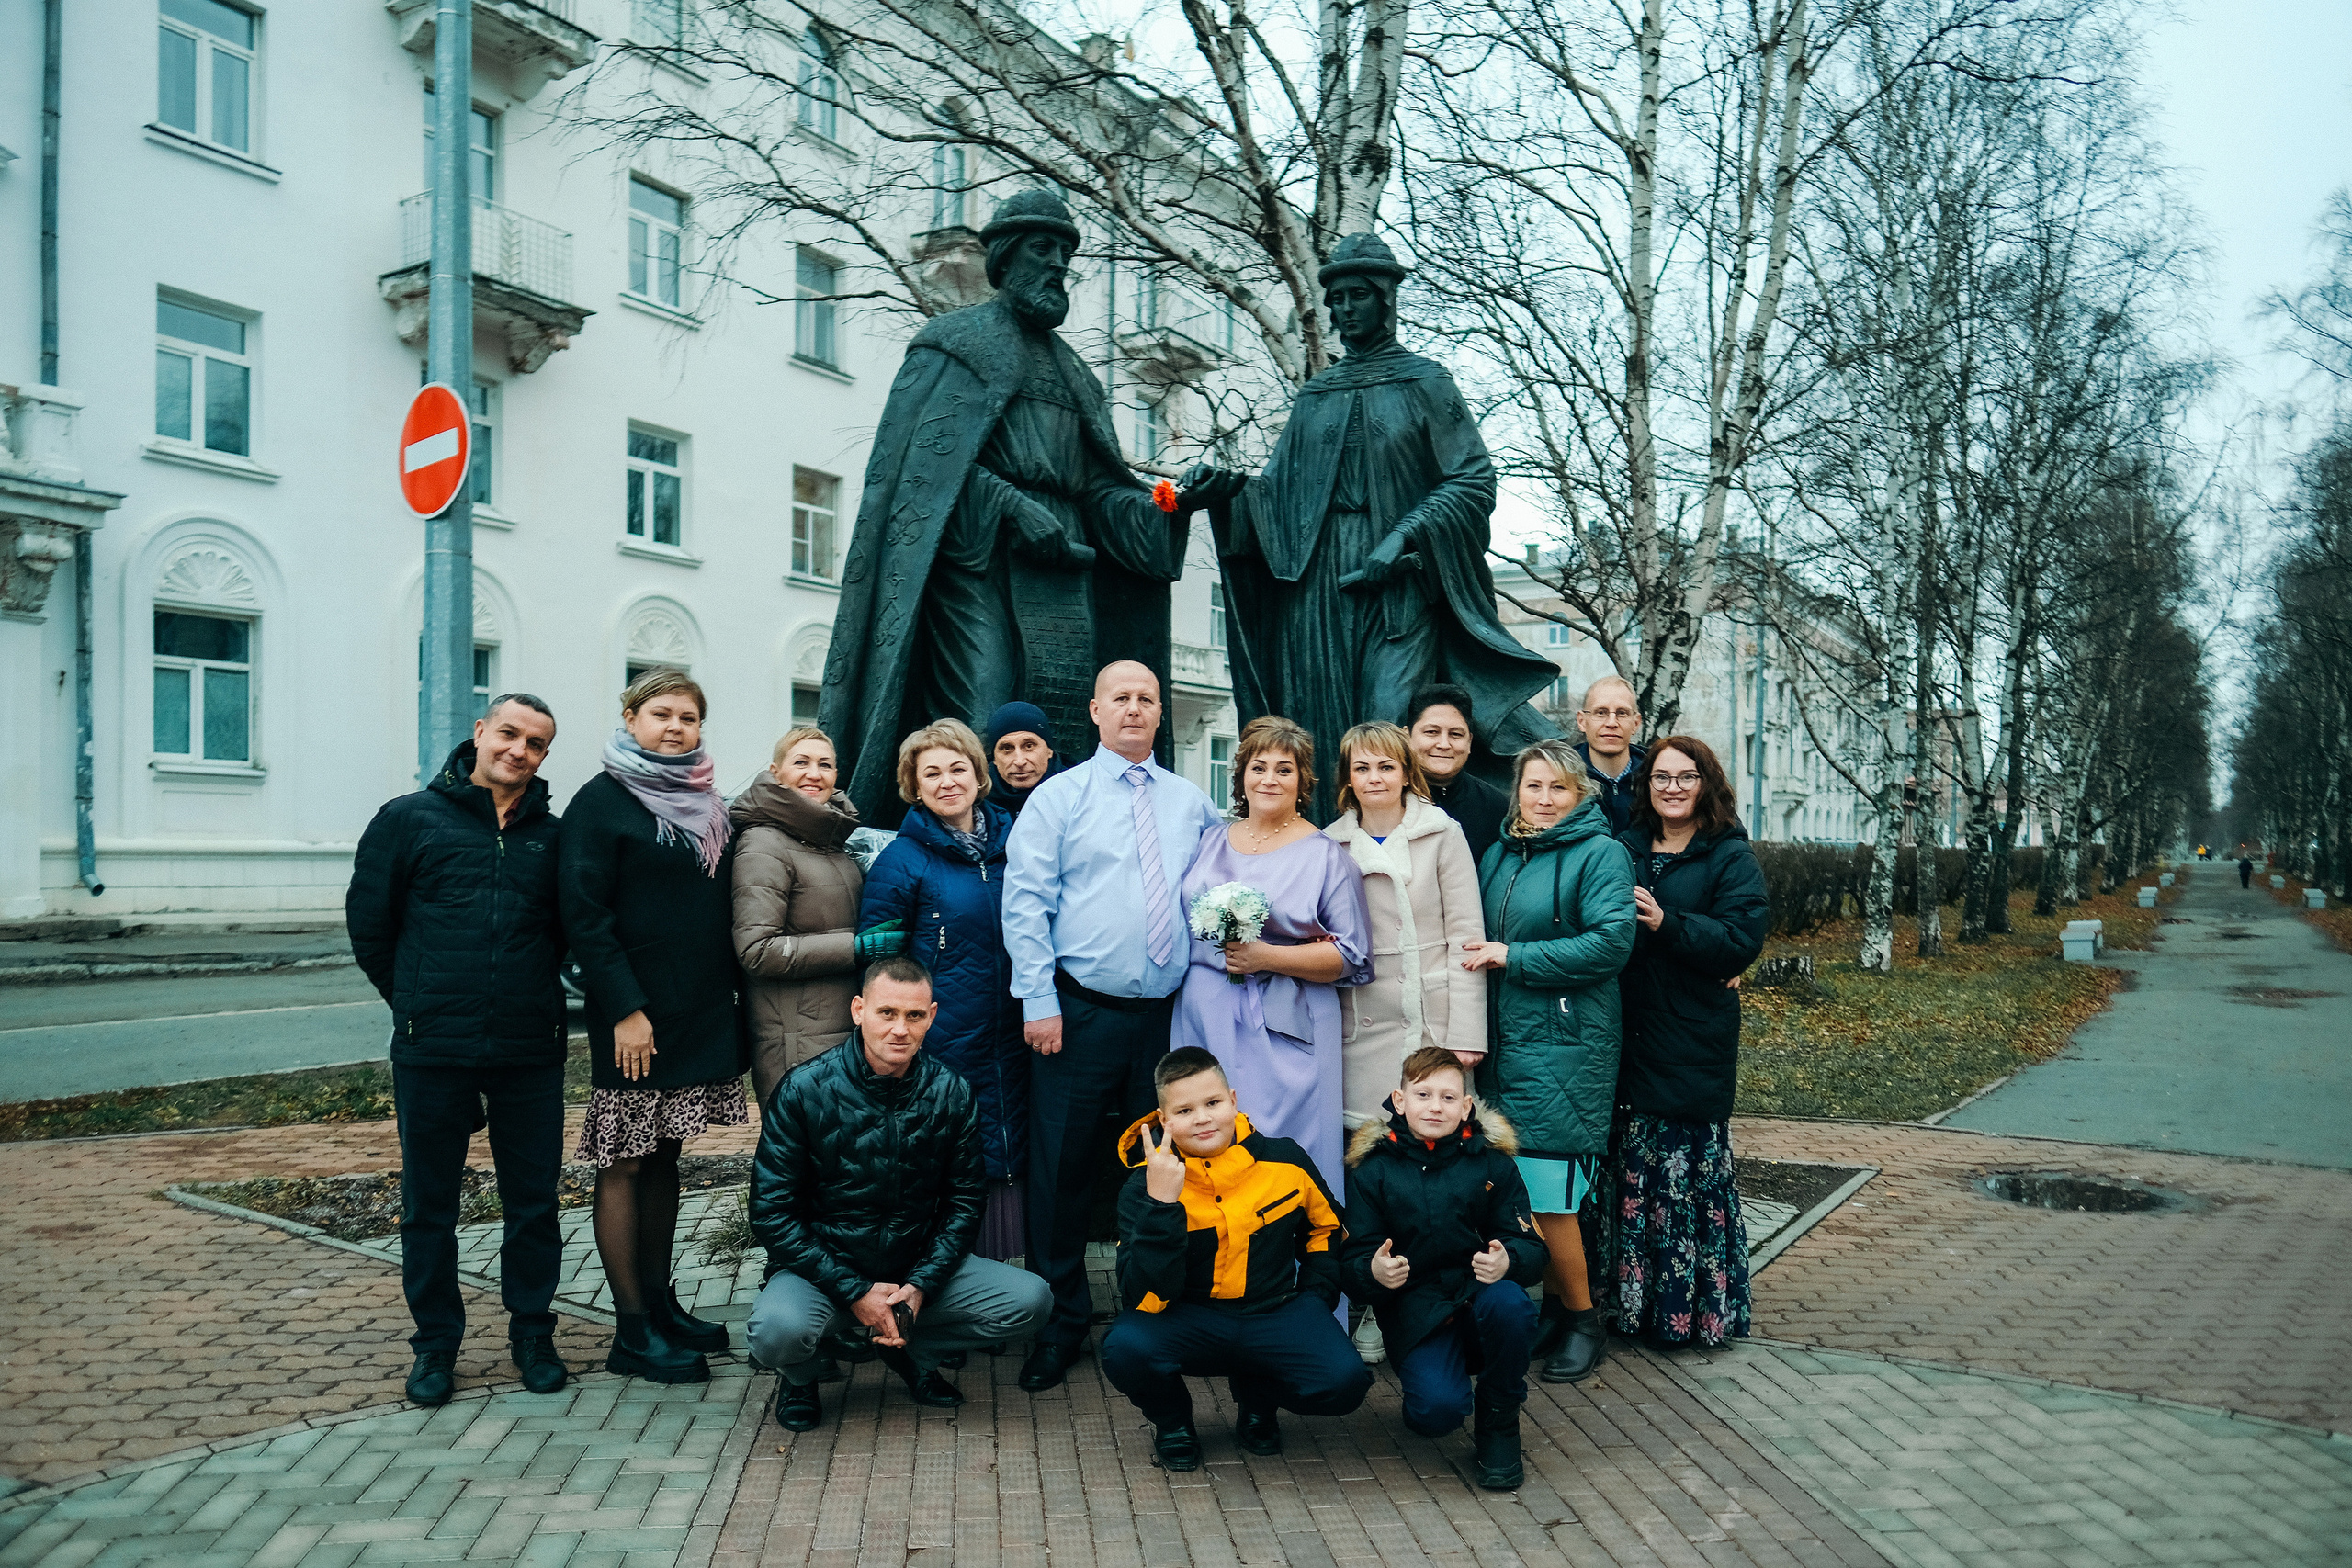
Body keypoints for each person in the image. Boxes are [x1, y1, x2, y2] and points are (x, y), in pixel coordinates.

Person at [818, 190, 1201, 823]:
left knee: (1057, 729)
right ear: (1005, 258)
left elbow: (1102, 490)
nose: (1058, 265)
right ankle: (963, 849)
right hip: (979, 566)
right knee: (982, 704)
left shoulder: (1077, 374)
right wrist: (1011, 507)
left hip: (1060, 572)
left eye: (1066, 254)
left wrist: (1174, 503)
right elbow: (922, 478)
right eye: (1043, 250)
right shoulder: (953, 344)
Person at [1183, 235, 1559, 821]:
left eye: (1359, 295)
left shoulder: (1426, 383)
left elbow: (1472, 479)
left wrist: (1405, 535)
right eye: (1335, 300)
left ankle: (1399, 862)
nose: (1345, 309)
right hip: (1317, 587)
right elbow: (1278, 496)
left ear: (1387, 299)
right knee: (1318, 724)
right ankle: (1324, 860)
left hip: (1399, 586)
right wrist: (1229, 490)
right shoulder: (1316, 395)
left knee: (1388, 728)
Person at [1002, 660, 1226, 1391]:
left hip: (1165, 1019)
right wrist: (1038, 998)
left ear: (1160, 713)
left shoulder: (1192, 801)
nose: (1133, 708)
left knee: (1161, 1170)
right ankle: (1061, 1320)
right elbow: (1026, 900)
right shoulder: (1058, 798)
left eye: (1145, 699)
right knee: (1062, 1169)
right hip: (1076, 1013)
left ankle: (1153, 1312)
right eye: (1120, 698)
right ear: (1095, 710)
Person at [347, 694, 571, 1407]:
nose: (519, 749)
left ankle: (533, 1331)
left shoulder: (553, 837)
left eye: (536, 743)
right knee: (430, 1206)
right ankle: (436, 1346)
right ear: (479, 732)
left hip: (529, 1050)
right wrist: (415, 1004)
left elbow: (568, 936)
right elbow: (370, 929)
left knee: (533, 1204)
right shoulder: (408, 819)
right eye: (508, 732)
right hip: (433, 1050)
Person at [747, 957, 1054, 1431]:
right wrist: (853, 1291)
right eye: (886, 1013)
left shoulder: (950, 1092)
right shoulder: (804, 1090)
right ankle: (800, 1377)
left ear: (931, 1016)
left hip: (912, 1264)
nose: (899, 1030)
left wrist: (922, 1284)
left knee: (1030, 1300)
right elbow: (772, 1214)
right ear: (858, 1010)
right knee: (776, 1332)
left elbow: (965, 1202)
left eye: (914, 1016)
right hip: (824, 1270)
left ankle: (910, 1352)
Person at [560, 670, 747, 1385]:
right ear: (631, 717)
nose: (675, 727)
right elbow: (584, 917)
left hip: (694, 1011)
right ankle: (631, 1330)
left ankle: (662, 1306)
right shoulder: (601, 802)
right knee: (626, 1160)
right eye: (661, 714)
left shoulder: (704, 800)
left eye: (688, 717)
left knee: (667, 1156)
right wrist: (623, 1010)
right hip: (634, 1019)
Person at [1102, 1048, 1373, 1470]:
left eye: (1212, 1103)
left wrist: (1315, 1298)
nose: (1203, 1118)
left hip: (1273, 1311)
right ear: (1163, 1119)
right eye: (1186, 1110)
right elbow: (1141, 1293)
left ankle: (1259, 1401)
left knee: (1345, 1384)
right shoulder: (1144, 1186)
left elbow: (1327, 1229)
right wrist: (1161, 1205)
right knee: (1124, 1348)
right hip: (1190, 1317)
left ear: (1232, 1099)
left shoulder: (1285, 1159)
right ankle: (1173, 1423)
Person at [1463, 737, 1635, 1386]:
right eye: (1532, 786)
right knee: (1523, 1189)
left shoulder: (1602, 853)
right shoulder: (1502, 853)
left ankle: (1585, 1321)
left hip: (1566, 1043)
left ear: (1582, 792)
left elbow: (1612, 942)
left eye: (1558, 787)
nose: (1543, 798)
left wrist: (1516, 957)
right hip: (1507, 1044)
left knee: (1551, 1195)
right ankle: (1552, 1311)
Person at [1321, 719, 1487, 1364]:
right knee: (1373, 1175)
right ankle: (1372, 1300)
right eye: (1362, 768)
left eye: (1386, 766)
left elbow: (1466, 934)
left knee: (1438, 1178)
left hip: (1434, 1028)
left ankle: (1430, 1303)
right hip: (1364, 1027)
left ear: (1405, 771)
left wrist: (1464, 1034)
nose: (1375, 778)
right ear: (1349, 778)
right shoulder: (1332, 844)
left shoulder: (1441, 833)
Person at [1611, 737, 1770, 1350]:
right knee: (1637, 1180)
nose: (1672, 786)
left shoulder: (1728, 854)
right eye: (1660, 776)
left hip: (1693, 1036)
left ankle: (1697, 1315)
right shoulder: (1625, 849)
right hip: (1630, 1031)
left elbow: (1740, 938)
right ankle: (1635, 1309)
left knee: (1687, 1182)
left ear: (1706, 783)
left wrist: (1667, 923)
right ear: (1644, 784)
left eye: (1685, 776)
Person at [1172, 716, 1373, 1198]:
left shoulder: (1326, 856)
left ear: (1303, 781)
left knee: (1281, 1144)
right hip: (1205, 1012)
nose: (1269, 779)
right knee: (1207, 1137)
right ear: (1241, 774)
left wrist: (1267, 957)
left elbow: (1353, 956)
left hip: (1286, 1018)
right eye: (1258, 767)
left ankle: (1300, 1262)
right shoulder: (1211, 840)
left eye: (1285, 769)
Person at [859, 719, 1027, 1260]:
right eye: (931, 773)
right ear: (914, 785)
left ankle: (1004, 1286)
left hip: (1020, 1030)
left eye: (958, 768)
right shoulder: (901, 861)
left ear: (980, 776)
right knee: (944, 1158)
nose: (947, 781)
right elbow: (880, 960)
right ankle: (936, 1293)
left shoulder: (1019, 842)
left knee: (1012, 1145)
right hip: (943, 1035)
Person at [1340, 1048, 1545, 1490]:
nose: (1435, 1106)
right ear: (1399, 1100)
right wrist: (1373, 1273)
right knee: (1435, 1414)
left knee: (1512, 1304)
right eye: (1423, 1094)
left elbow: (1532, 1245)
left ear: (1467, 1107)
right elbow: (1352, 1258)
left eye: (1449, 1097)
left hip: (1481, 1297)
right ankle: (1441, 1383)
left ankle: (1499, 1418)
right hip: (1418, 1311)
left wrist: (1509, 1258)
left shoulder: (1493, 1164)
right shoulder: (1371, 1172)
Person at [734, 727, 903, 1107]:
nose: (815, 773)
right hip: (797, 1042)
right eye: (802, 763)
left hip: (842, 1032)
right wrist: (856, 947)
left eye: (825, 765)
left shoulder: (831, 840)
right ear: (776, 773)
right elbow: (756, 949)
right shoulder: (764, 842)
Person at [1404, 685, 1510, 867]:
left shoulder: (1496, 807)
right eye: (1432, 732)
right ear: (1406, 736)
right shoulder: (1386, 802)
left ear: (1469, 742)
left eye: (1455, 734)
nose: (1444, 744)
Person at [1572, 675, 1649, 836]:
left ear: (1636, 723)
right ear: (1582, 721)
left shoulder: (1658, 780)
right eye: (1601, 712)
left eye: (1622, 713)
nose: (1612, 723)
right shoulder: (1562, 780)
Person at [985, 701, 1063, 818]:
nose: (1019, 761)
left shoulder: (1075, 795)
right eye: (1007, 748)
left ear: (1049, 750)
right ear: (994, 758)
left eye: (1029, 746)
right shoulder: (977, 803)